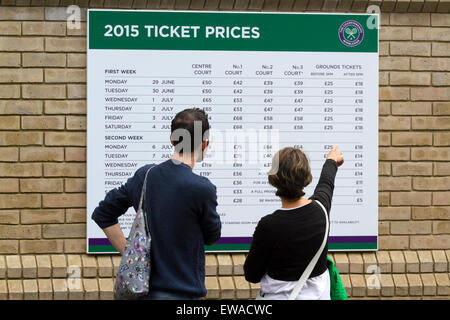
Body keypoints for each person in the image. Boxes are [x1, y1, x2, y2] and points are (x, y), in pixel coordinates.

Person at [91, 108, 222, 300]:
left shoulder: (144, 176)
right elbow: (212, 236)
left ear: (172, 139)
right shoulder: (202, 189)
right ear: (204, 144)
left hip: (143, 292)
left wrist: (130, 254)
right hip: (184, 295)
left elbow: (103, 214)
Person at [244, 145, 344, 300]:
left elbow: (252, 275)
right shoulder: (321, 211)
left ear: (274, 177)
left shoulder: (269, 226)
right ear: (306, 176)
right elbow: (326, 183)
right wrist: (331, 160)